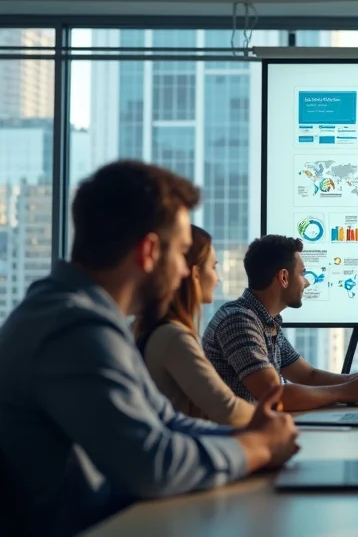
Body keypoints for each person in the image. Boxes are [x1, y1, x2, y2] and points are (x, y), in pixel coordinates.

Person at [0, 161, 298, 537]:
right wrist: (256, 447)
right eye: (181, 253)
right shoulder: (72, 328)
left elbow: (165, 422)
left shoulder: (84, 315)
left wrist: (251, 434)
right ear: (149, 251)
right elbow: (152, 465)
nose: (184, 272)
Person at [203, 235, 358, 411]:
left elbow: (307, 375)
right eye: (302, 274)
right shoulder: (237, 321)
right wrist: (345, 391)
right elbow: (274, 395)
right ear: (284, 277)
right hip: (235, 429)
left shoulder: (266, 321)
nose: (307, 283)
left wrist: (354, 381)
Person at [135, 225, 255, 426]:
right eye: (214, 267)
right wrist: (275, 416)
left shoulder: (153, 328)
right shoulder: (174, 338)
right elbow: (228, 410)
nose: (217, 278)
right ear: (195, 274)